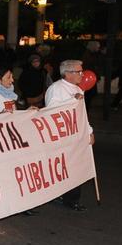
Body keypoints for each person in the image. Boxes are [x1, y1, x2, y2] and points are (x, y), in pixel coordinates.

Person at [44, 59, 95, 212]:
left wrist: (89, 131)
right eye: (78, 71)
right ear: (67, 73)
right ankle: (62, 196)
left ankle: (72, 199)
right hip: (62, 137)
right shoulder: (56, 89)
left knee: (75, 167)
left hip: (76, 135)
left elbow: (81, 115)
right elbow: (51, 112)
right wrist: (72, 100)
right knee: (63, 167)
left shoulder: (79, 89)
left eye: (82, 70)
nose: (82, 74)